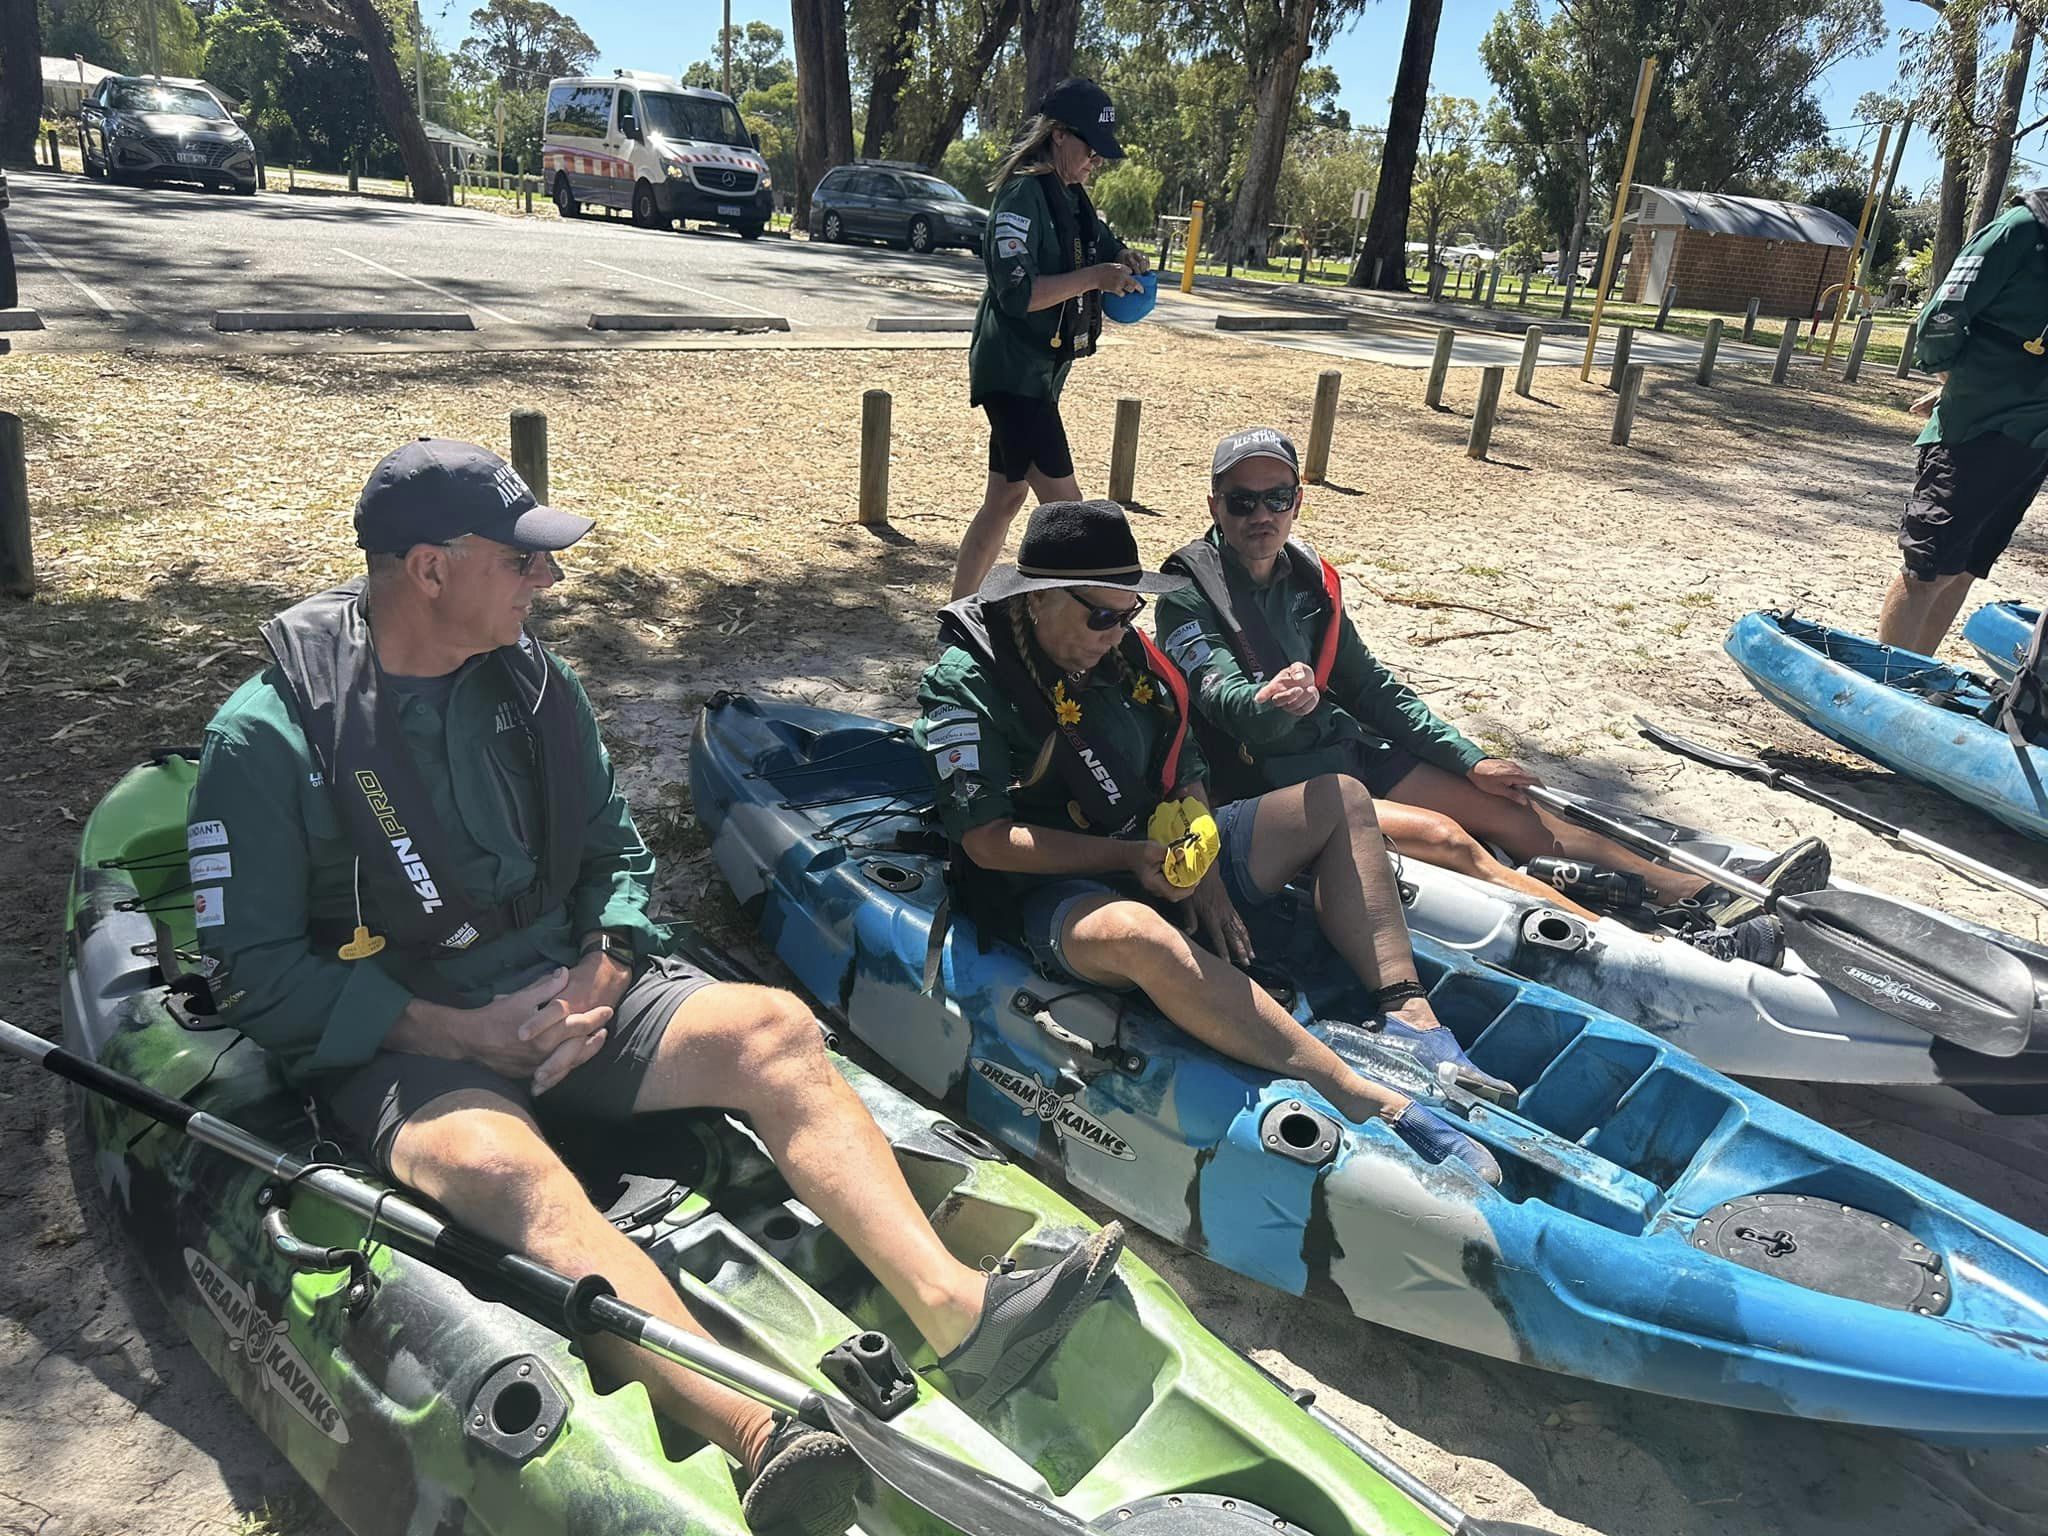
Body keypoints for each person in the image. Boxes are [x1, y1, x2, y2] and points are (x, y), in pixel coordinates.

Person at [186, 439, 1123, 1536]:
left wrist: (598, 974)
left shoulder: (536, 686)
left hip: (573, 997)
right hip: (414, 1037)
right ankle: (761, 1432)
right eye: (522, 560)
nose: (550, 581)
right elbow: (252, 971)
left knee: (772, 1029)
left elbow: (615, 860)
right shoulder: (266, 741)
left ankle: (961, 1314)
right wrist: (456, 1027)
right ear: (429, 569)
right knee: (502, 1168)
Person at [917, 496, 1507, 1185]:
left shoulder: (1126, 657)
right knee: (1141, 936)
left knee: (1340, 799)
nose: (1115, 632)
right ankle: (1357, 1092)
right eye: (1099, 615)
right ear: (1039, 599)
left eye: (1128, 612)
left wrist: (1206, 861)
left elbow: (1185, 761)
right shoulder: (968, 683)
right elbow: (987, 839)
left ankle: (1410, 1014)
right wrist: (1131, 861)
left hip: (1154, 848)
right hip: (1053, 887)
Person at [1154, 428, 1830, 962]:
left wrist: (1472, 759)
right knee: (1450, 839)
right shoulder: (1185, 593)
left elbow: (1371, 687)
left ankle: (1699, 894)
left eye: (1277, 497)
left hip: (1345, 751)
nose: (1261, 515)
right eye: (1242, 501)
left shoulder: (1307, 579)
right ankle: (1645, 946)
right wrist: (1269, 702)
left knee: (1509, 807)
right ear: (1215, 505)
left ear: (1298, 500)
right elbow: (1219, 697)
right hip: (1279, 786)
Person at [953, 77, 1152, 601]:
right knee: (1071, 516)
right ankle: (1099, 619)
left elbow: (1106, 249)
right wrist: (1096, 277)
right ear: (1059, 135)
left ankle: (956, 616)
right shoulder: (1022, 195)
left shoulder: (1074, 197)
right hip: (1012, 373)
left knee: (1005, 498)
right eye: (1091, 148)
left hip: (1041, 376)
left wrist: (1126, 261)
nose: (1097, 161)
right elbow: (1018, 293)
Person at [1880, 188, 2048, 655]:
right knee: (1929, 571)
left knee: (1968, 568)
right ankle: (1884, 687)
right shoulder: (2022, 230)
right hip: (1978, 429)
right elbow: (1942, 315)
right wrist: (1957, 379)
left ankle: (1916, 678)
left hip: (2033, 441)